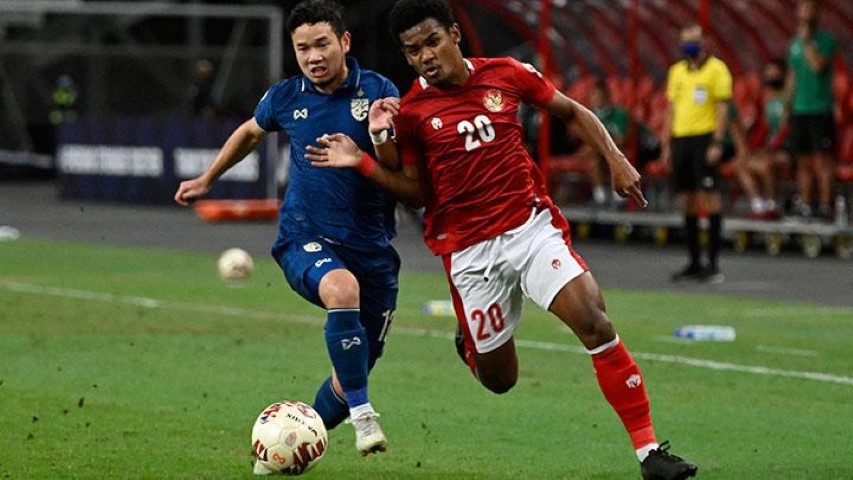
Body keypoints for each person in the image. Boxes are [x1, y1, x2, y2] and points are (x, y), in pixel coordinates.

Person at [307, 1, 697, 478]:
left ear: (454, 35)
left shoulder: (507, 74)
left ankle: (649, 452)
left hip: (529, 229)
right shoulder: (410, 113)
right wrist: (369, 156)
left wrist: (615, 157)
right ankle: (471, 346)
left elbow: (571, 110)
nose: (426, 56)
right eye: (413, 51)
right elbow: (416, 194)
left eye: (432, 42)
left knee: (594, 322)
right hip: (469, 253)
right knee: (500, 380)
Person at [173, 0, 399, 467]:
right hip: (302, 238)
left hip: (372, 250)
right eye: (302, 48)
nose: (313, 57)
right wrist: (208, 178)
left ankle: (287, 447)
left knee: (350, 373)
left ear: (344, 42)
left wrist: (376, 139)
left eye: (322, 44)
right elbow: (250, 132)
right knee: (342, 289)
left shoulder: (378, 91)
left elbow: (399, 168)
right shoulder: (287, 96)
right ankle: (364, 417)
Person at [662, 23, 732, 283]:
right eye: (685, 40)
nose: (689, 45)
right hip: (681, 139)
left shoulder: (717, 69)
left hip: (704, 138)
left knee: (710, 199)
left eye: (694, 40)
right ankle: (693, 262)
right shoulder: (676, 72)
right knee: (687, 200)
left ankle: (713, 264)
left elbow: (722, 108)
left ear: (704, 43)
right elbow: (670, 110)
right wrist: (667, 144)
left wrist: (717, 142)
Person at [786, 0, 838, 221]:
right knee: (803, 161)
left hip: (820, 108)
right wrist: (788, 106)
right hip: (800, 110)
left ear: (817, 13)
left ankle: (826, 206)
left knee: (823, 160)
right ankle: (806, 205)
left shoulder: (826, 40)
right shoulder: (794, 42)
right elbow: (793, 75)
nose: (806, 12)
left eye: (810, 8)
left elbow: (818, 66)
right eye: (803, 8)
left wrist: (807, 42)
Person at [735, 59, 792, 218]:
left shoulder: (789, 98)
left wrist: (773, 147)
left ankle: (772, 204)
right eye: (768, 74)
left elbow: (788, 129)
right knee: (740, 163)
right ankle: (758, 204)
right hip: (769, 148)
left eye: (775, 73)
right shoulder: (765, 99)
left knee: (766, 164)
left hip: (787, 149)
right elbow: (761, 127)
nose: (771, 77)